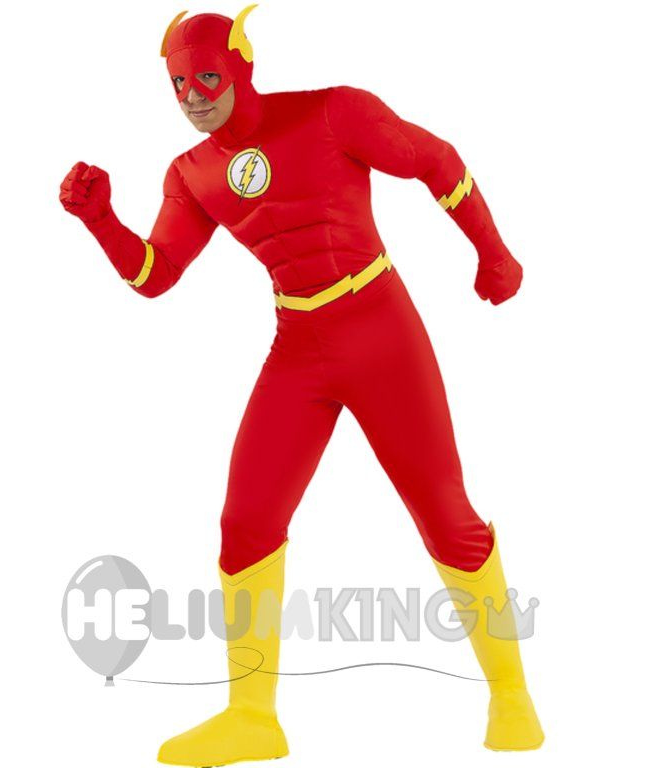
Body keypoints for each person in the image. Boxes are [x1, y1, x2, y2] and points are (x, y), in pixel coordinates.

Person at [59, 5, 544, 765]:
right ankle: (253, 716)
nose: (192, 96)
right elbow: (156, 273)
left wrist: (494, 251)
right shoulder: (191, 172)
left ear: (243, 66)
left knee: (444, 513)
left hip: (379, 328)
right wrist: (100, 221)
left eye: (207, 77)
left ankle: (512, 694)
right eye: (178, 84)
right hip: (299, 344)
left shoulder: (332, 112)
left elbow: (434, 159)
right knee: (246, 520)